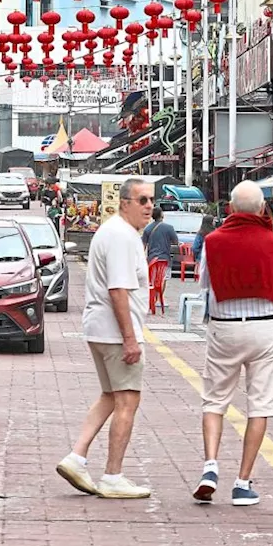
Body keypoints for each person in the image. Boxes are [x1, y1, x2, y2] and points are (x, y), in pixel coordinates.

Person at [194, 180, 273, 506]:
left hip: (224, 328)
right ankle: (243, 482)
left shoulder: (213, 242)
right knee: (260, 404)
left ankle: (210, 466)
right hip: (266, 330)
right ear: (263, 209)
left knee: (214, 400)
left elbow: (204, 284)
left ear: (231, 209)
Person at [56, 178, 154, 499]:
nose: (149, 206)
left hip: (100, 327)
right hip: (114, 331)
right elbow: (118, 289)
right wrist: (130, 338)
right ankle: (113, 474)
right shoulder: (122, 236)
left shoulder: (113, 231)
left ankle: (77, 457)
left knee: (110, 396)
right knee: (127, 400)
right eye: (142, 200)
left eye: (151, 200)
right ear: (124, 202)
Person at [141, 207, 179, 311]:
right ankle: (159, 299)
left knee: (152, 280)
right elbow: (175, 242)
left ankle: (151, 299)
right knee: (162, 279)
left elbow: (143, 245)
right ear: (162, 215)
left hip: (152, 258)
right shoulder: (169, 228)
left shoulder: (147, 229)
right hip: (165, 258)